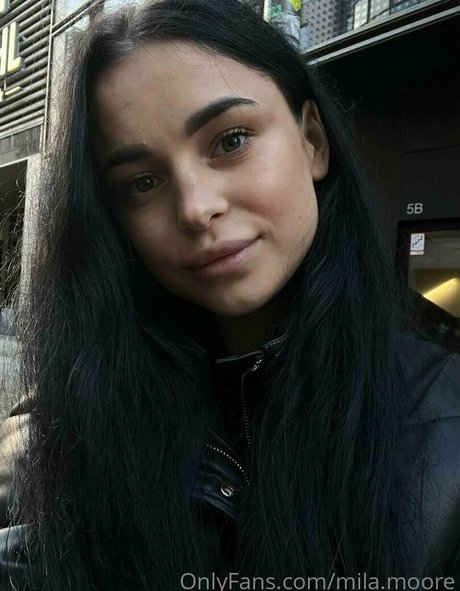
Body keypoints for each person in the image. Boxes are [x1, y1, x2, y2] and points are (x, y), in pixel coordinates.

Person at [0, 0, 459, 589]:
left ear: (312, 140)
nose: (196, 208)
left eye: (231, 140)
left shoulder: (442, 426)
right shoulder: (71, 423)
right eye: (142, 182)